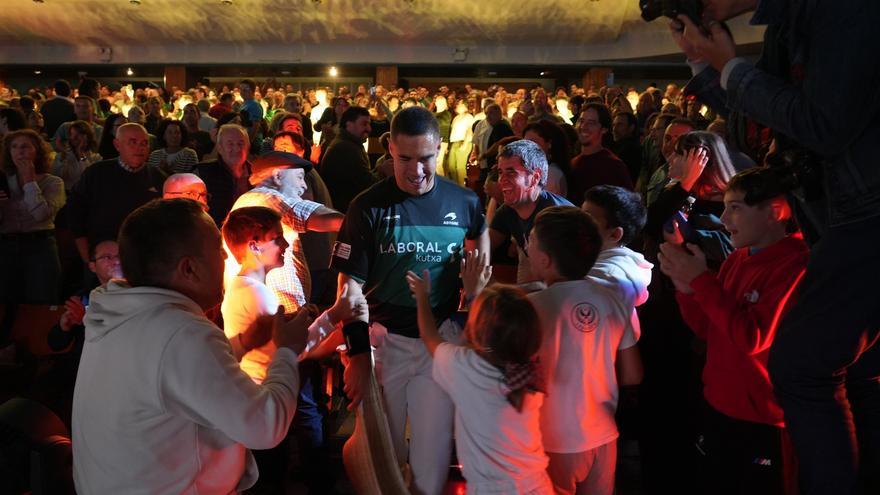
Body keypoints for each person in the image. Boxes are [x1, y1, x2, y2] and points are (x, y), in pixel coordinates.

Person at [674, 4, 880, 492]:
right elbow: (760, 122)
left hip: (866, 212)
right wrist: (705, 64)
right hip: (845, 215)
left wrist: (731, 68)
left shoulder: (843, 14)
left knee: (802, 369)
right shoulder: (794, 23)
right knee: (857, 373)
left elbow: (823, 125)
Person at [71, 198, 313, 493]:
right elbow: (266, 426)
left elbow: (177, 379)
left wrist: (243, 344)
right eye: (218, 251)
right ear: (189, 269)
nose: (226, 257)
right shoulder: (180, 332)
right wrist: (286, 350)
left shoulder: (118, 314)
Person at [332, 106, 489, 495]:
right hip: (384, 345)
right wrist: (355, 355)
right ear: (389, 149)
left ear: (440, 148)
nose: (416, 171)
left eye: (426, 159)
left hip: (438, 342)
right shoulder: (367, 206)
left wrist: (473, 303)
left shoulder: (465, 202)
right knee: (381, 458)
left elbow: (480, 274)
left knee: (431, 462)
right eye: (405, 159)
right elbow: (348, 288)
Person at [658, 166, 808, 494]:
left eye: (735, 208)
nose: (724, 220)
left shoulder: (795, 265)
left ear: (776, 211)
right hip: (718, 402)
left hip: (760, 418)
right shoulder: (738, 258)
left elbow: (751, 338)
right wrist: (686, 289)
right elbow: (708, 330)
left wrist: (700, 280)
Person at [526, 206, 643, 495]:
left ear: (544, 259)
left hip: (550, 440)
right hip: (603, 436)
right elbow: (633, 374)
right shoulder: (613, 300)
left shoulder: (530, 308)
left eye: (530, 240)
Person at [407, 273, 553, 493]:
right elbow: (495, 333)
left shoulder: (465, 366)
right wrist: (474, 295)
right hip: (537, 484)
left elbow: (429, 336)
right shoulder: (530, 370)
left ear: (477, 327)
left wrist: (422, 296)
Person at [66, 123, 166, 265]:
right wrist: (88, 259)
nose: (140, 147)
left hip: (145, 259)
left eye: (144, 143)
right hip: (104, 258)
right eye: (133, 142)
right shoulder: (96, 174)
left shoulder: (158, 177)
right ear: (117, 145)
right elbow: (75, 217)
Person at [489, 139, 572, 284]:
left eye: (511, 173)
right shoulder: (508, 210)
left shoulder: (555, 218)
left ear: (534, 178)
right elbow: (484, 245)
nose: (501, 180)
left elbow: (564, 280)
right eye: (500, 173)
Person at [0, 129, 66, 304]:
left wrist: (29, 181)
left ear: (37, 151)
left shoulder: (53, 182)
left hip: (39, 245)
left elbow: (40, 215)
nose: (19, 151)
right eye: (14, 147)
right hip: (6, 246)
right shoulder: (3, 180)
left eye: (25, 147)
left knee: (42, 300)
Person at [568, 103, 633, 204]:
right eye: (581, 121)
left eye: (591, 123)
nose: (584, 126)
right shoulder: (573, 163)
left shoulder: (614, 166)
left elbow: (628, 205)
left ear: (604, 129)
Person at [319, 106, 375, 213]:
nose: (369, 129)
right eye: (364, 124)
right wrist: (382, 171)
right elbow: (367, 184)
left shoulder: (349, 144)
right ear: (349, 125)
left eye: (369, 124)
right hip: (346, 212)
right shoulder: (346, 149)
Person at [196, 124, 252, 226]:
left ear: (248, 147)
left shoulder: (258, 175)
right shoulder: (203, 173)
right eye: (230, 144)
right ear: (220, 148)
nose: (236, 148)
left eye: (241, 143)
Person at [50, 120, 102, 192]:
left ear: (87, 137)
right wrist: (63, 159)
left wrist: (81, 154)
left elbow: (88, 177)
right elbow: (57, 176)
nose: (74, 138)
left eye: (78, 135)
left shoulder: (96, 158)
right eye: (72, 134)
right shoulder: (63, 155)